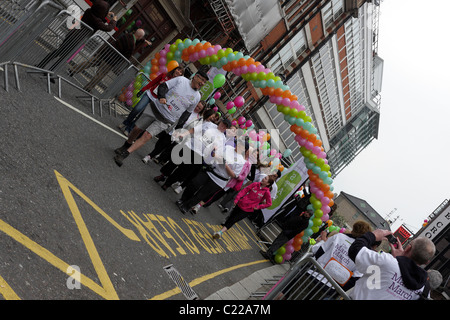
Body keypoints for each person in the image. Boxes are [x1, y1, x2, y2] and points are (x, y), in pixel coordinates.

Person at [113, 70, 208, 166]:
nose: (203, 83)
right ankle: (126, 145)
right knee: (137, 129)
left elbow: (186, 113)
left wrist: (178, 127)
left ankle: (124, 154)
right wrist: (161, 97)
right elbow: (163, 86)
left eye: (205, 82)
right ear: (196, 76)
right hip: (155, 108)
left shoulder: (197, 97)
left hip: (167, 119)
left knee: (147, 135)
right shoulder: (181, 80)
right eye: (202, 80)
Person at [348, 229, 436, 300]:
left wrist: (374, 235)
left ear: (408, 248)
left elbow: (355, 250)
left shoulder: (387, 261)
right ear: (426, 262)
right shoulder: (424, 290)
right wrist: (399, 260)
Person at [175, 132, 245, 215]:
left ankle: (187, 206)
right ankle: (183, 199)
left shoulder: (241, 161)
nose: (238, 146)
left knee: (201, 194)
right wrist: (216, 156)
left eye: (241, 146)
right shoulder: (228, 148)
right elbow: (215, 154)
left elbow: (234, 175)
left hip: (219, 180)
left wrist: (225, 165)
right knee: (194, 183)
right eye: (238, 144)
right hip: (210, 170)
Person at [36, 0, 117, 71]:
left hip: (73, 34)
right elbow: (108, 28)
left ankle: (44, 66)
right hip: (79, 39)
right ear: (101, 12)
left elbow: (98, 16)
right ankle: (49, 70)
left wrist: (105, 13)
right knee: (62, 55)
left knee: (59, 52)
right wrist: (114, 21)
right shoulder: (97, 21)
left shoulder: (89, 11)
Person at [71, 29, 152, 92]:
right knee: (100, 75)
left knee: (89, 63)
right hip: (111, 59)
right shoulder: (132, 45)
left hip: (105, 52)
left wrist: (143, 40)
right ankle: (88, 88)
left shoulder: (127, 35)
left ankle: (72, 70)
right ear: (140, 37)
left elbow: (138, 36)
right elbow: (127, 56)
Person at [119, 65, 185, 136]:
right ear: (175, 70)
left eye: (181, 72)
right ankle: (126, 122)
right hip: (149, 94)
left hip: (157, 101)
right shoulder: (165, 75)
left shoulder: (177, 85)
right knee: (137, 109)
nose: (178, 72)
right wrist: (143, 90)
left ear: (181, 75)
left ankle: (129, 129)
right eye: (178, 69)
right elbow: (153, 82)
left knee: (142, 116)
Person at [310, 220, 373, 291]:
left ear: (353, 229)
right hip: (330, 287)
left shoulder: (339, 236)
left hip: (314, 274)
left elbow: (320, 250)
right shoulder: (363, 253)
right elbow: (355, 277)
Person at [142, 99, 206, 165]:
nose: (197, 108)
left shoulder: (199, 118)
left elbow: (194, 129)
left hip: (180, 133)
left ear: (201, 110)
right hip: (172, 126)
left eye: (199, 108)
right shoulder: (188, 110)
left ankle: (149, 156)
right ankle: (155, 153)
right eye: (197, 106)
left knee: (164, 143)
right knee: (160, 141)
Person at [213, 175, 275, 239]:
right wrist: (237, 199)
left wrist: (259, 207)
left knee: (234, 219)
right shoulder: (255, 184)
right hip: (241, 203)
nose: (263, 179)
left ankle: (220, 232)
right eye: (264, 177)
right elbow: (244, 191)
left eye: (265, 179)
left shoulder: (266, 192)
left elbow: (269, 204)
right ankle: (225, 226)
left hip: (248, 210)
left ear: (267, 183)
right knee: (231, 216)